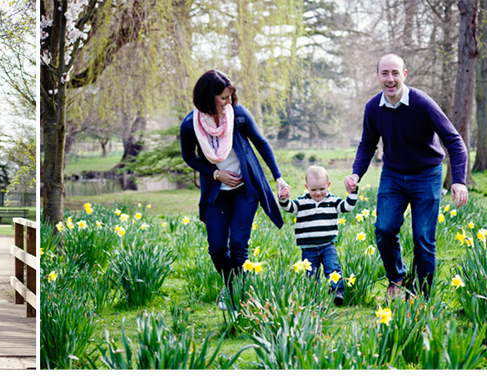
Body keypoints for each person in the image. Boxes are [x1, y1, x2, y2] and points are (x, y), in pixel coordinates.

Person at [345, 53, 469, 299]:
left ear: (404, 74)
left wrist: (458, 180)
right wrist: (356, 173)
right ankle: (397, 277)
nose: (390, 79)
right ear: (377, 76)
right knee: (384, 228)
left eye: (395, 73)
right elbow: (368, 144)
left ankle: (421, 295)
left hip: (427, 174)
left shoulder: (422, 103)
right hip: (393, 175)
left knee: (423, 235)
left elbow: (454, 141)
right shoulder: (373, 108)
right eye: (384, 73)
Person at [180, 70, 290, 309]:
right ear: (208, 97)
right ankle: (232, 285)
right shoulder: (191, 125)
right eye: (223, 97)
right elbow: (188, 157)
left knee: (239, 245)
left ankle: (234, 296)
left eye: (231, 96)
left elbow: (261, 143)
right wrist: (216, 173)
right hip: (216, 193)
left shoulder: (237, 115)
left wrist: (278, 178)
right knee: (217, 248)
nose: (229, 102)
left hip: (245, 190)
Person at [279, 166, 358, 305]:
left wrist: (352, 193)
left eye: (322, 189)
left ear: (328, 185)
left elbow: (347, 207)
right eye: (313, 190)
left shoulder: (332, 201)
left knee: (333, 269)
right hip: (308, 248)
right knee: (311, 275)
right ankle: (312, 297)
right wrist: (284, 199)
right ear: (306, 187)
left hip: (328, 245)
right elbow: (289, 208)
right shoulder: (302, 202)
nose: (318, 193)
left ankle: (337, 292)